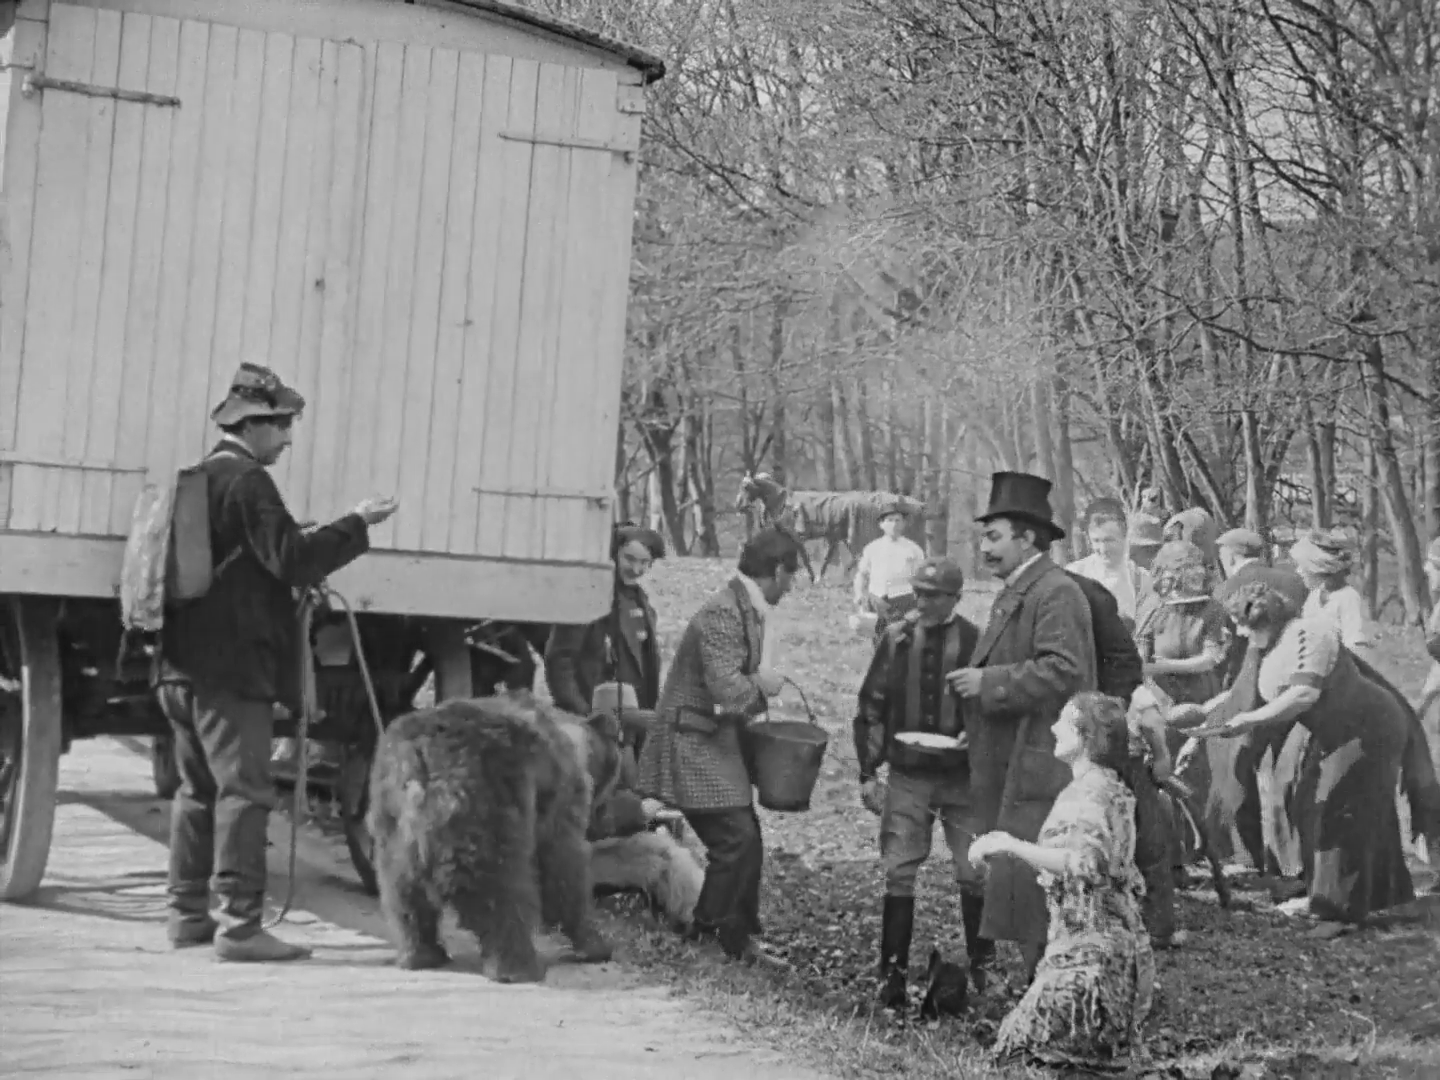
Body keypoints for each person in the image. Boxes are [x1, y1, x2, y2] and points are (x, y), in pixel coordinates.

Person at [156, 363, 397, 962]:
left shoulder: (197, 477)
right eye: (283, 424)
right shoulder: (249, 483)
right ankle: (240, 926)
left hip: (179, 667)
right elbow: (294, 561)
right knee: (246, 793)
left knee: (196, 792)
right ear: (253, 425)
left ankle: (186, 915)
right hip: (231, 672)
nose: (288, 438)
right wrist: (356, 524)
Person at [1188, 568, 1440, 927]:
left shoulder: (1310, 634)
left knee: (1336, 808)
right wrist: (1204, 712)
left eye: (1243, 626)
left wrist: (1251, 720)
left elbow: (1303, 693)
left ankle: (1338, 912)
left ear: (1263, 618)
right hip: (1336, 732)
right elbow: (1247, 692)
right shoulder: (1269, 646)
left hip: (1370, 727)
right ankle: (1372, 893)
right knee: (1308, 803)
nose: (1240, 634)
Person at [944, 471, 1097, 987]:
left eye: (993, 537)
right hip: (1012, 760)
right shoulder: (1021, 590)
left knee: (1039, 895)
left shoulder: (1055, 593)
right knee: (1023, 891)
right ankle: (1043, 996)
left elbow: (1063, 671)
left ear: (1028, 538)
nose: (984, 549)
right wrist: (977, 728)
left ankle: (1056, 1000)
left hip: (1040, 769)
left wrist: (987, 682)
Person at [636, 526, 802, 968]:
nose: (791, 586)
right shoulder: (724, 612)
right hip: (692, 741)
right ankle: (708, 937)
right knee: (736, 841)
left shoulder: (746, 607)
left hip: (714, 741)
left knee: (747, 841)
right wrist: (762, 685)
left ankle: (737, 939)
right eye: (791, 576)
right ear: (778, 571)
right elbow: (728, 691)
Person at [970, 692, 1154, 1069]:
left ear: (1085, 737)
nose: (1054, 728)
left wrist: (1010, 846)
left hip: (1088, 967)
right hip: (1120, 957)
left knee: (1015, 1059)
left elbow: (1085, 863)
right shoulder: (1111, 785)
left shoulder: (1087, 792)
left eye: (1064, 721)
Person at [853, 557, 983, 1007]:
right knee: (899, 870)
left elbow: (989, 704)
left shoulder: (974, 640)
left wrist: (975, 732)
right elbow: (871, 704)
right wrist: (868, 772)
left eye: (934, 596)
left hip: (962, 777)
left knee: (974, 869)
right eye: (919, 593)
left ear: (955, 599)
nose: (923, 603)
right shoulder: (897, 638)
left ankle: (981, 968)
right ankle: (891, 974)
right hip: (908, 775)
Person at [546, 522, 666, 840]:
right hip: (597, 723)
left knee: (631, 796)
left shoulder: (640, 602)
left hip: (631, 723)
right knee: (597, 801)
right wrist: (584, 716)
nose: (636, 569)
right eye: (630, 559)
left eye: (644, 562)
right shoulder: (589, 600)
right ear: (613, 555)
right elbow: (559, 662)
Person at [1066, 500, 1153, 628]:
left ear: (1124, 536)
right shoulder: (1074, 574)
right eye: (1096, 541)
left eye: (1109, 540)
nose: (1103, 549)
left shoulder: (1141, 580)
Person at [1290, 529, 1372, 653]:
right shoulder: (1315, 595)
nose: (1299, 572)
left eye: (1305, 568)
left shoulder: (1348, 598)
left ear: (1321, 570)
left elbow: (1355, 644)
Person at [853, 499, 926, 638]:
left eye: (898, 520)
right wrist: (859, 594)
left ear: (904, 523)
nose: (894, 524)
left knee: (903, 639)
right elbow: (861, 575)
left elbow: (921, 578)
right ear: (881, 524)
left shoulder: (913, 549)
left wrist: (920, 603)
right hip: (877, 599)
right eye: (890, 520)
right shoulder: (872, 548)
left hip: (903, 601)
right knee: (880, 639)